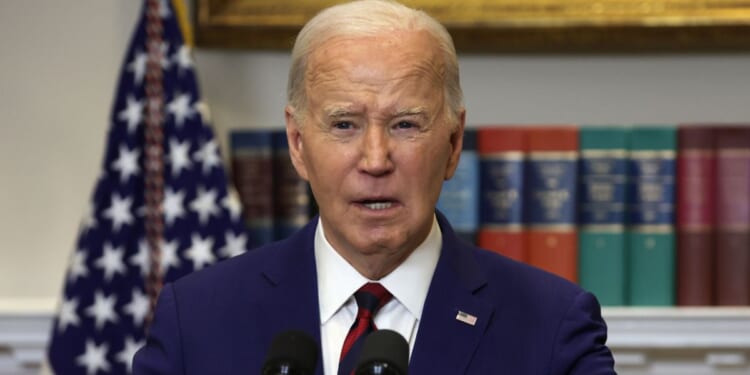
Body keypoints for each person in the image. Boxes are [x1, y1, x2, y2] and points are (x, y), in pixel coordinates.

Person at [133, 0, 617, 374]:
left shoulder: (552, 327)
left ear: (452, 144)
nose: (375, 159)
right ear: (298, 144)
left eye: (406, 125)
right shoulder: (196, 320)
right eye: (344, 124)